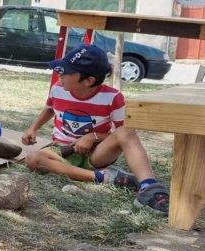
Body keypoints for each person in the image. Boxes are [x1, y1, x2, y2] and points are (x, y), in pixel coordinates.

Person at [21, 44, 169, 215]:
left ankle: (149, 186)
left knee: (127, 131)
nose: (59, 75)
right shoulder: (57, 89)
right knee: (33, 160)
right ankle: (105, 177)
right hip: (61, 150)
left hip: (97, 153)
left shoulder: (113, 97)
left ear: (88, 80)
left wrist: (94, 136)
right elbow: (49, 108)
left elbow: (122, 134)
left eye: (66, 72)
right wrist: (33, 129)